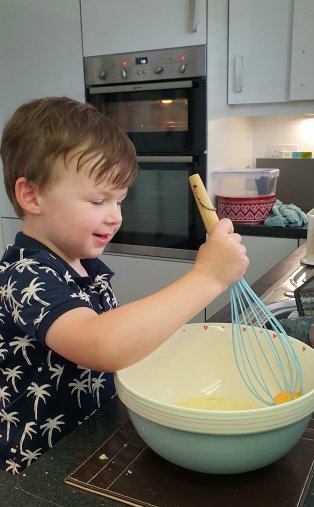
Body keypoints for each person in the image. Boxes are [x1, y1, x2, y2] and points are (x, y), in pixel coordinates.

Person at [0, 96, 249, 474]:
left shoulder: (83, 264)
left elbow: (123, 335)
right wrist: (207, 277)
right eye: (99, 200)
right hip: (38, 465)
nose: (115, 217)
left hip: (88, 441)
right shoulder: (24, 275)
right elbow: (102, 343)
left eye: (120, 200)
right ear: (31, 195)